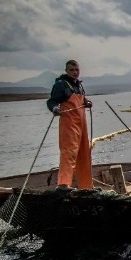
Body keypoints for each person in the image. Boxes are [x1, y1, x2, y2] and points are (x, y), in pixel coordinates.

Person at [46, 59, 93, 189]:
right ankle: (63, 184)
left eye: (77, 69)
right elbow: (52, 101)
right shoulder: (61, 85)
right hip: (69, 124)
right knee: (69, 152)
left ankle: (86, 186)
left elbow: (82, 100)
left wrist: (87, 102)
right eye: (72, 70)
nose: (75, 72)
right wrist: (55, 108)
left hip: (82, 125)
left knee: (84, 153)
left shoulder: (79, 85)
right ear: (66, 71)